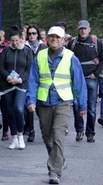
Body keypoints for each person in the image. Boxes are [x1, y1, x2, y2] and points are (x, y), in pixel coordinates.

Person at [26, 26, 87, 184]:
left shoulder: (70, 57)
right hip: (43, 101)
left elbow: (79, 82)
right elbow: (33, 80)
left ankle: (54, 171)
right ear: (47, 39)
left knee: (58, 135)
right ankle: (60, 160)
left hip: (63, 101)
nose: (54, 39)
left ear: (63, 40)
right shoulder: (39, 56)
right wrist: (31, 100)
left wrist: (82, 105)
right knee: (47, 137)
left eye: (57, 37)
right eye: (51, 36)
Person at [67, 20, 103, 143]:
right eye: (81, 29)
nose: (83, 31)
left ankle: (90, 133)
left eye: (85, 28)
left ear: (89, 29)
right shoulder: (73, 43)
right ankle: (79, 130)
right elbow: (66, 59)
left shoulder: (96, 42)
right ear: (77, 30)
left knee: (91, 108)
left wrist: (95, 74)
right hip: (76, 81)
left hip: (91, 79)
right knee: (76, 106)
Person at [0, 26, 33, 150]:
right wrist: (8, 77)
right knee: (9, 111)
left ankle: (20, 135)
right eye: (12, 41)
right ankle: (13, 138)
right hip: (7, 85)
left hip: (21, 85)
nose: (15, 43)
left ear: (22, 39)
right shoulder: (6, 51)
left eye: (17, 40)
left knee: (18, 108)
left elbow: (29, 69)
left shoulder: (27, 51)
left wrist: (19, 79)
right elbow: (0, 67)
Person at [24, 25, 47, 142]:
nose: (31, 36)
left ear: (37, 34)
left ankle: (45, 129)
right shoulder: (24, 47)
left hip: (41, 80)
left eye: (34, 33)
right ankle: (31, 131)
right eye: (29, 34)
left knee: (40, 108)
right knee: (29, 106)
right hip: (28, 79)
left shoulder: (43, 47)